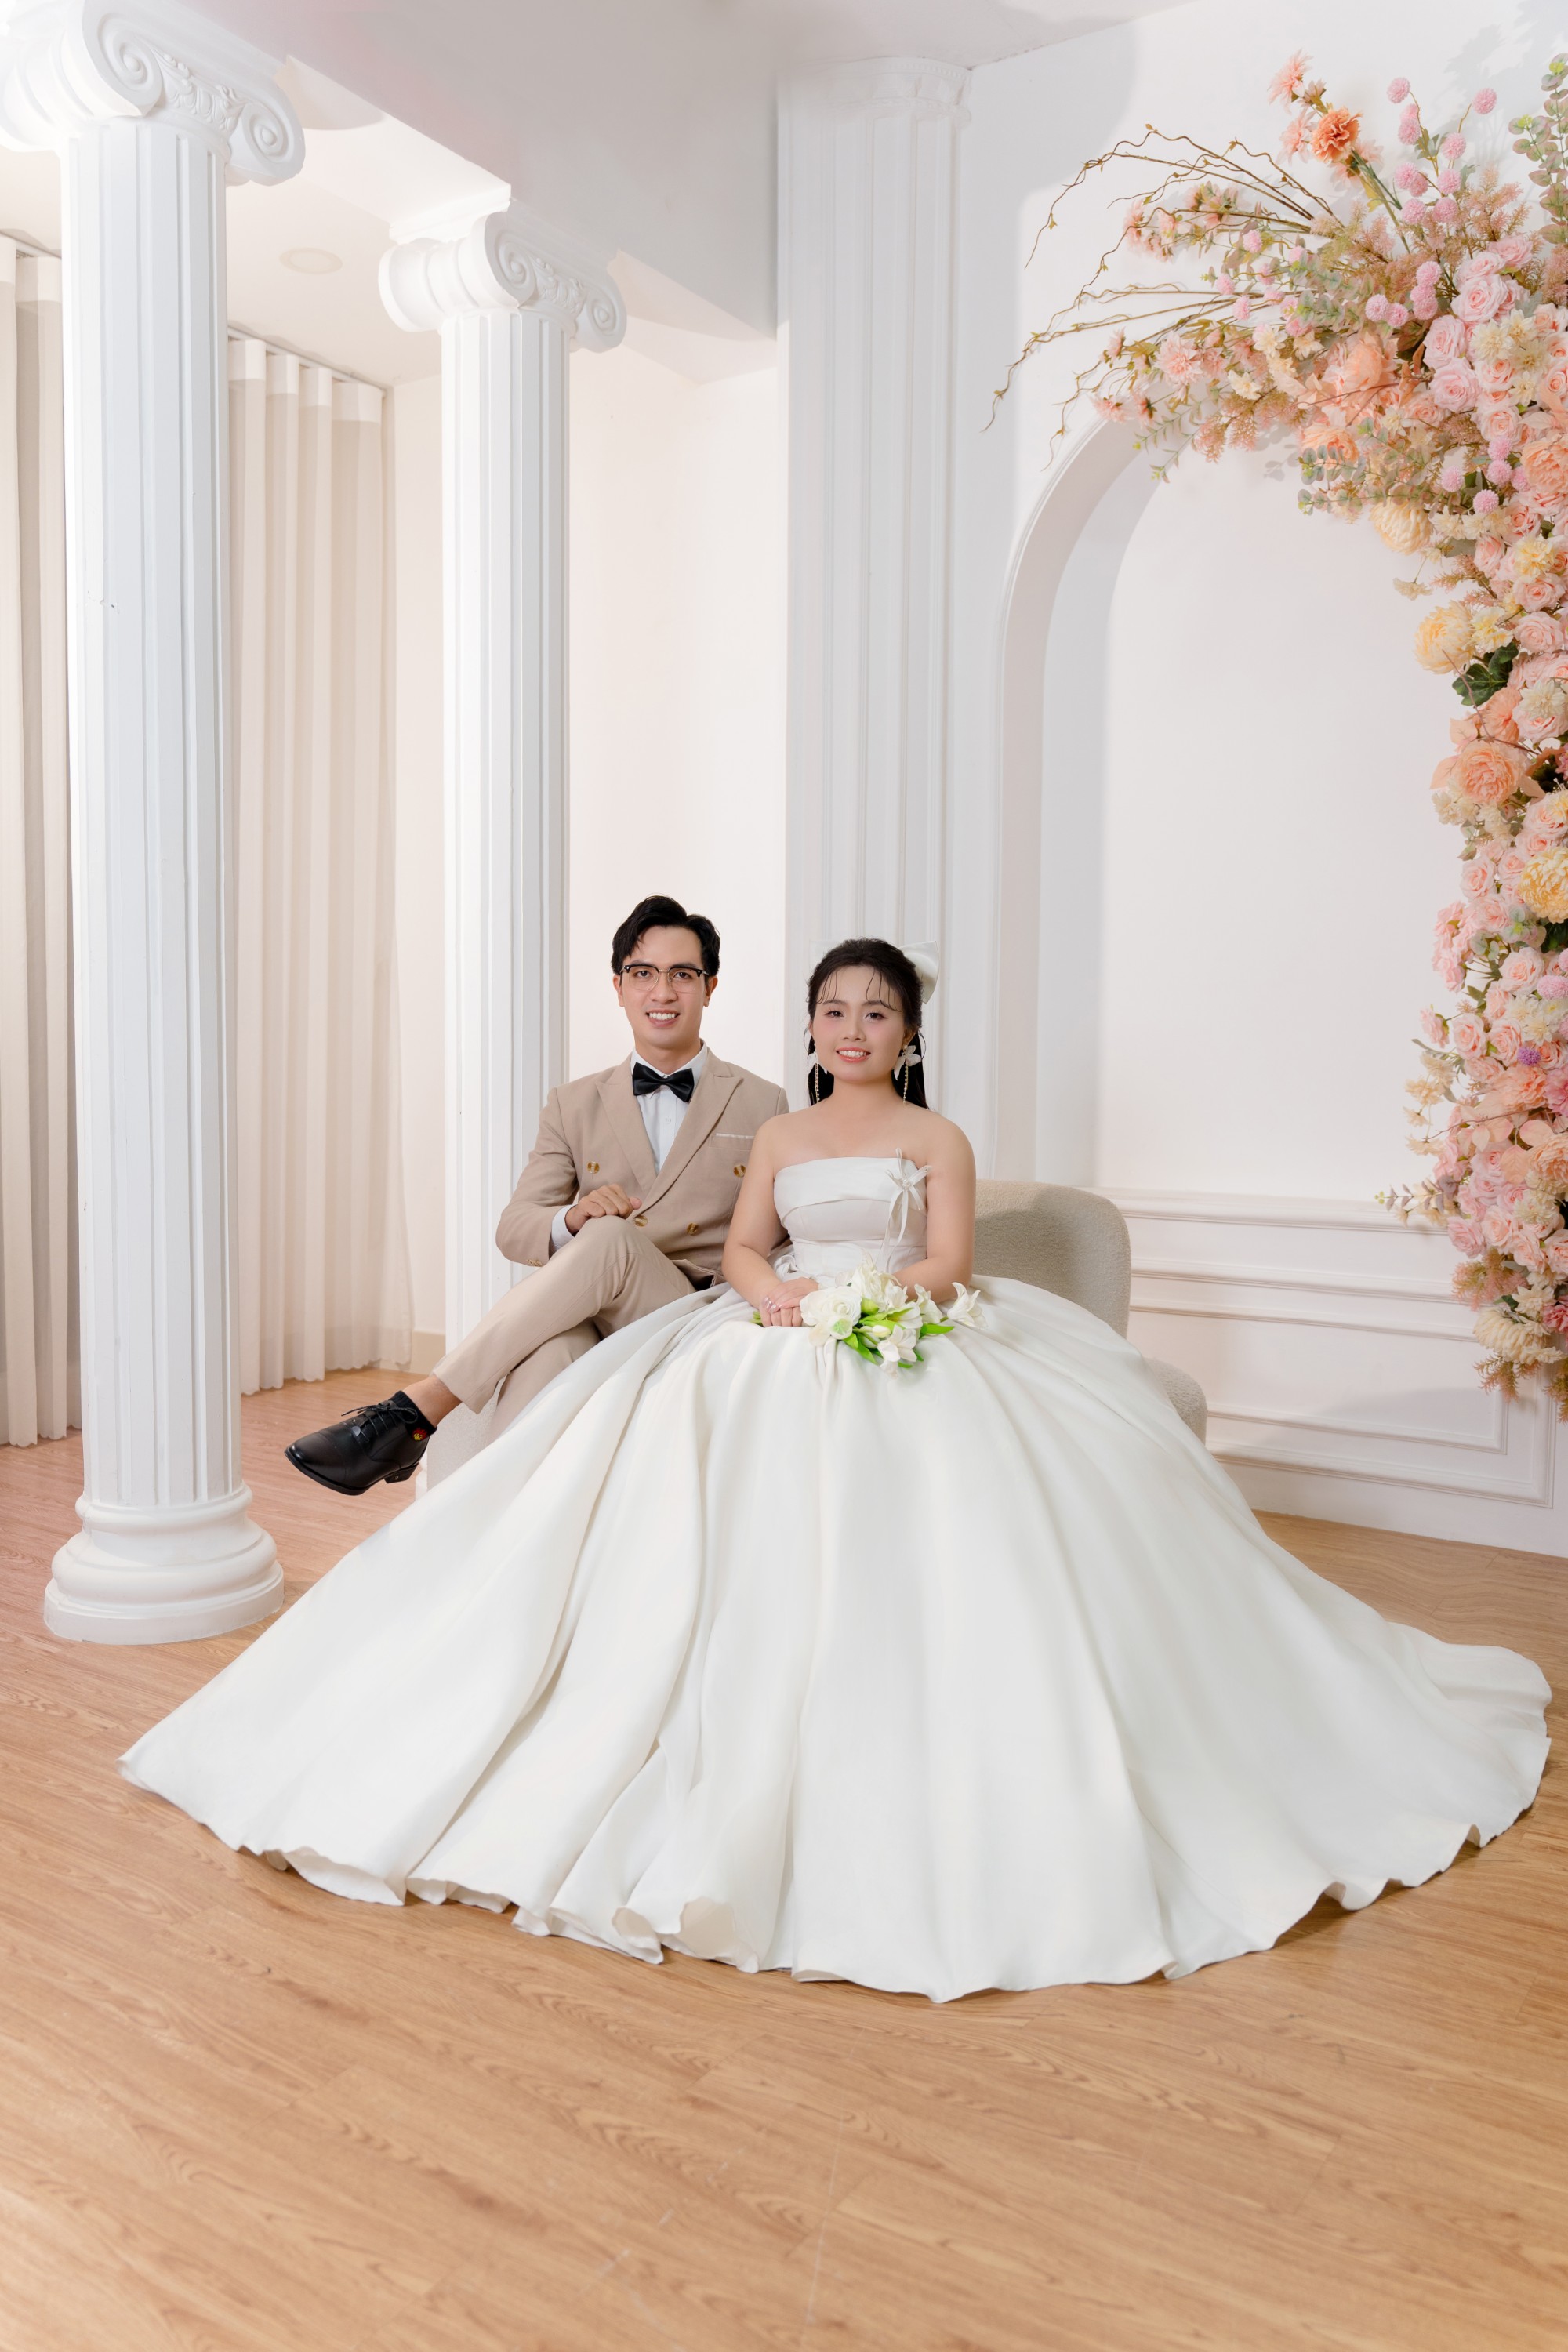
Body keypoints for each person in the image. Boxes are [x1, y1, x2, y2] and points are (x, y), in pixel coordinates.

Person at [122, 940, 1550, 2003]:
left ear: (907, 1035)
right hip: (776, 1329)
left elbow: (950, 1263)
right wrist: (781, 1301)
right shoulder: (782, 1133)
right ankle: (499, 1547)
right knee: (672, 1440)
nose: (852, 1029)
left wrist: (873, 1305)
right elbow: (748, 1248)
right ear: (807, 1025)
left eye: (876, 1013)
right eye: (833, 1011)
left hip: (901, 1328)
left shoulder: (936, 1137)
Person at [285, 895, 789, 1494]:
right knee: (543, 1359)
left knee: (609, 1239)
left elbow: (780, 1232)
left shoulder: (763, 1102)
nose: (662, 992)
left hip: (689, 1312)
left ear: (709, 988)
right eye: (643, 973)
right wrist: (571, 1219)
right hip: (591, 1311)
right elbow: (515, 1226)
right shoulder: (572, 1103)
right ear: (618, 986)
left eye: (683, 974)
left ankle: (415, 1412)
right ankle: (486, 1520)